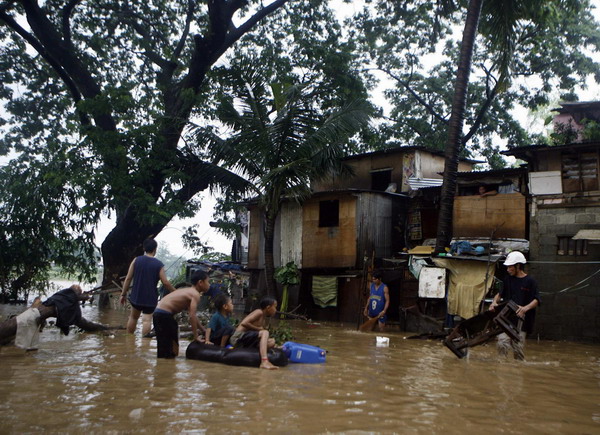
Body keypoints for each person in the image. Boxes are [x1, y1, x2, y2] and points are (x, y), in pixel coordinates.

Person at [489, 251, 540, 361]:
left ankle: (518, 370)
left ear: (518, 266)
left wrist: (525, 308)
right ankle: (501, 369)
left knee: (518, 348)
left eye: (510, 267)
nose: (508, 270)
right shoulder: (507, 279)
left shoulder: (530, 281)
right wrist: (494, 302)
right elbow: (499, 294)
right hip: (507, 318)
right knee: (502, 343)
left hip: (522, 321)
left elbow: (536, 300)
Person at [120, 238, 177, 336]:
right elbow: (165, 282)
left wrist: (123, 294)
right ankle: (145, 346)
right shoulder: (159, 264)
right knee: (147, 320)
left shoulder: (136, 260)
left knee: (133, 317)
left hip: (136, 296)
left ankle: (128, 340)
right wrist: (175, 292)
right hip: (150, 298)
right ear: (155, 249)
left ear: (144, 248)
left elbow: (128, 278)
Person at [152, 271, 210, 358]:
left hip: (158, 314)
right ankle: (169, 366)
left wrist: (203, 330)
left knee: (163, 347)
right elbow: (192, 316)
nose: (209, 285)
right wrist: (196, 337)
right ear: (200, 283)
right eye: (208, 282)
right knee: (172, 348)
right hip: (165, 316)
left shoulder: (187, 291)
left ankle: (162, 366)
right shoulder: (195, 294)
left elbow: (192, 314)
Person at [230, 296, 279, 370]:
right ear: (268, 307)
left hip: (246, 340)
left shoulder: (263, 319)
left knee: (272, 341)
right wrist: (259, 329)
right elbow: (244, 323)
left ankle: (260, 354)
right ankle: (264, 362)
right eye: (275, 307)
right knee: (265, 332)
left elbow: (257, 336)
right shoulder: (259, 312)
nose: (276, 310)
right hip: (238, 338)